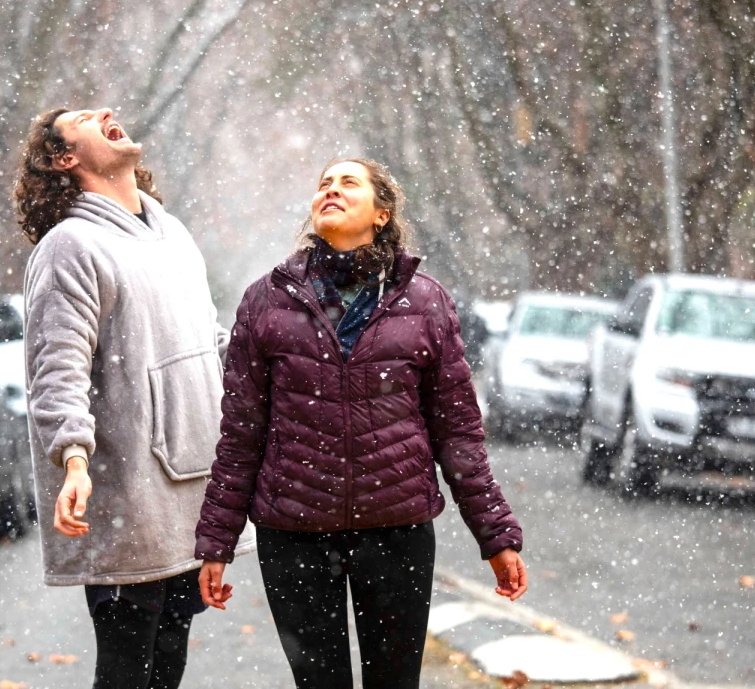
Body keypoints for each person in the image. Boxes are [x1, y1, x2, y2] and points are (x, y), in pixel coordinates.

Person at [194, 158, 527, 689]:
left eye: (349, 183)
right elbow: (240, 435)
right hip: (294, 533)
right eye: (324, 184)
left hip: (396, 531)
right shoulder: (265, 300)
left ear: (381, 213)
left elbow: (458, 432)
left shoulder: (426, 301)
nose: (331, 190)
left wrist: (496, 535)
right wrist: (217, 541)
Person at [15, 107, 254, 689]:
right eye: (83, 118)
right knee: (127, 671)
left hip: (190, 494)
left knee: (168, 666)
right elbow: (57, 368)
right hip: (127, 501)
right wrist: (72, 458)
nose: (106, 113)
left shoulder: (172, 233)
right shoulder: (69, 246)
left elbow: (210, 343)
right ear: (63, 158)